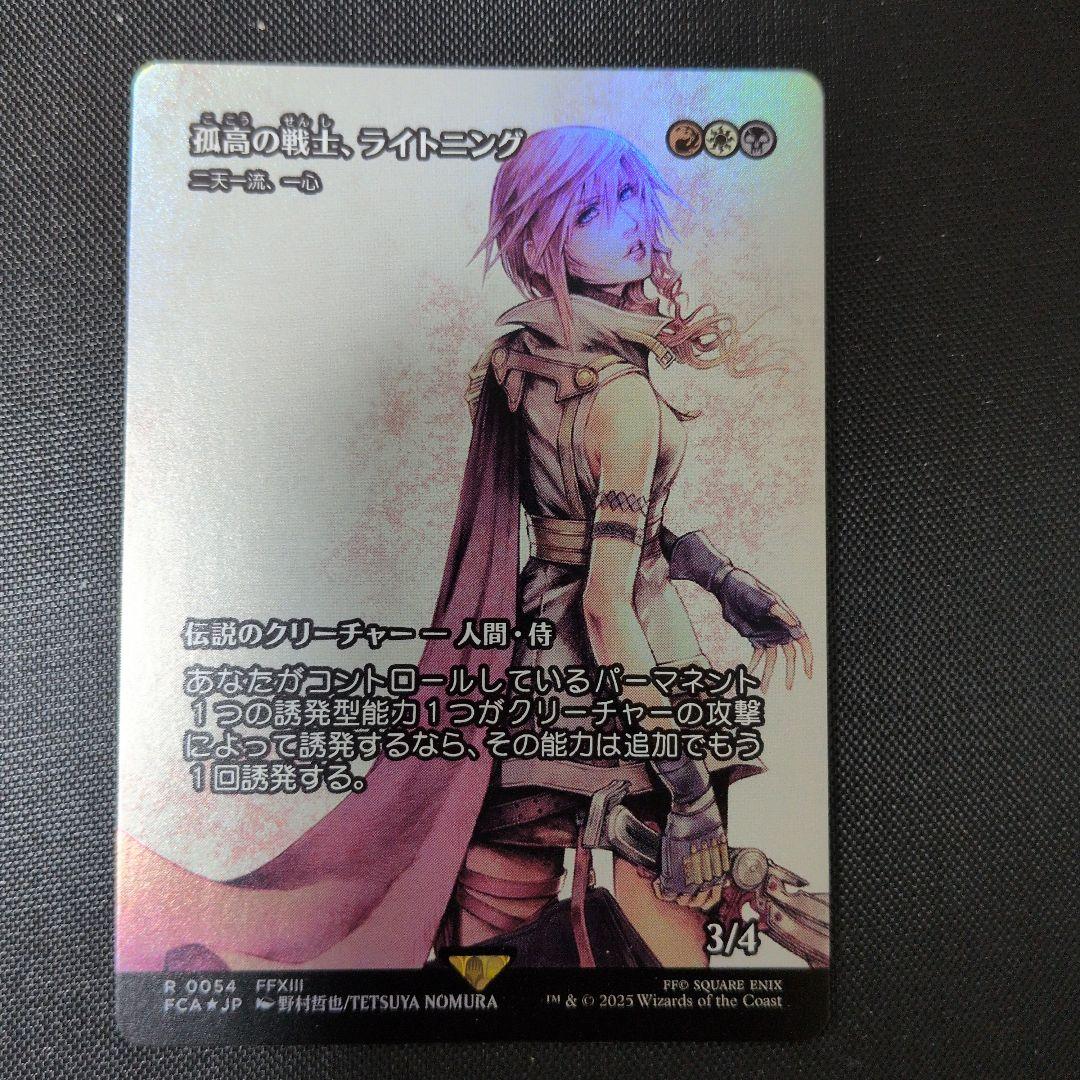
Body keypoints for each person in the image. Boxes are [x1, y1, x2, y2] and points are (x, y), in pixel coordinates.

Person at [115, 126, 818, 973]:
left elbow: (582, 525)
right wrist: (689, 790)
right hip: (632, 675)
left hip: (528, 674)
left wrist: (719, 577)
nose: (628, 220)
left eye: (630, 194)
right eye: (589, 210)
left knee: (481, 958)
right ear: (541, 242)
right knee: (673, 971)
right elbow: (607, 600)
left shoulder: (523, 363)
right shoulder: (621, 397)